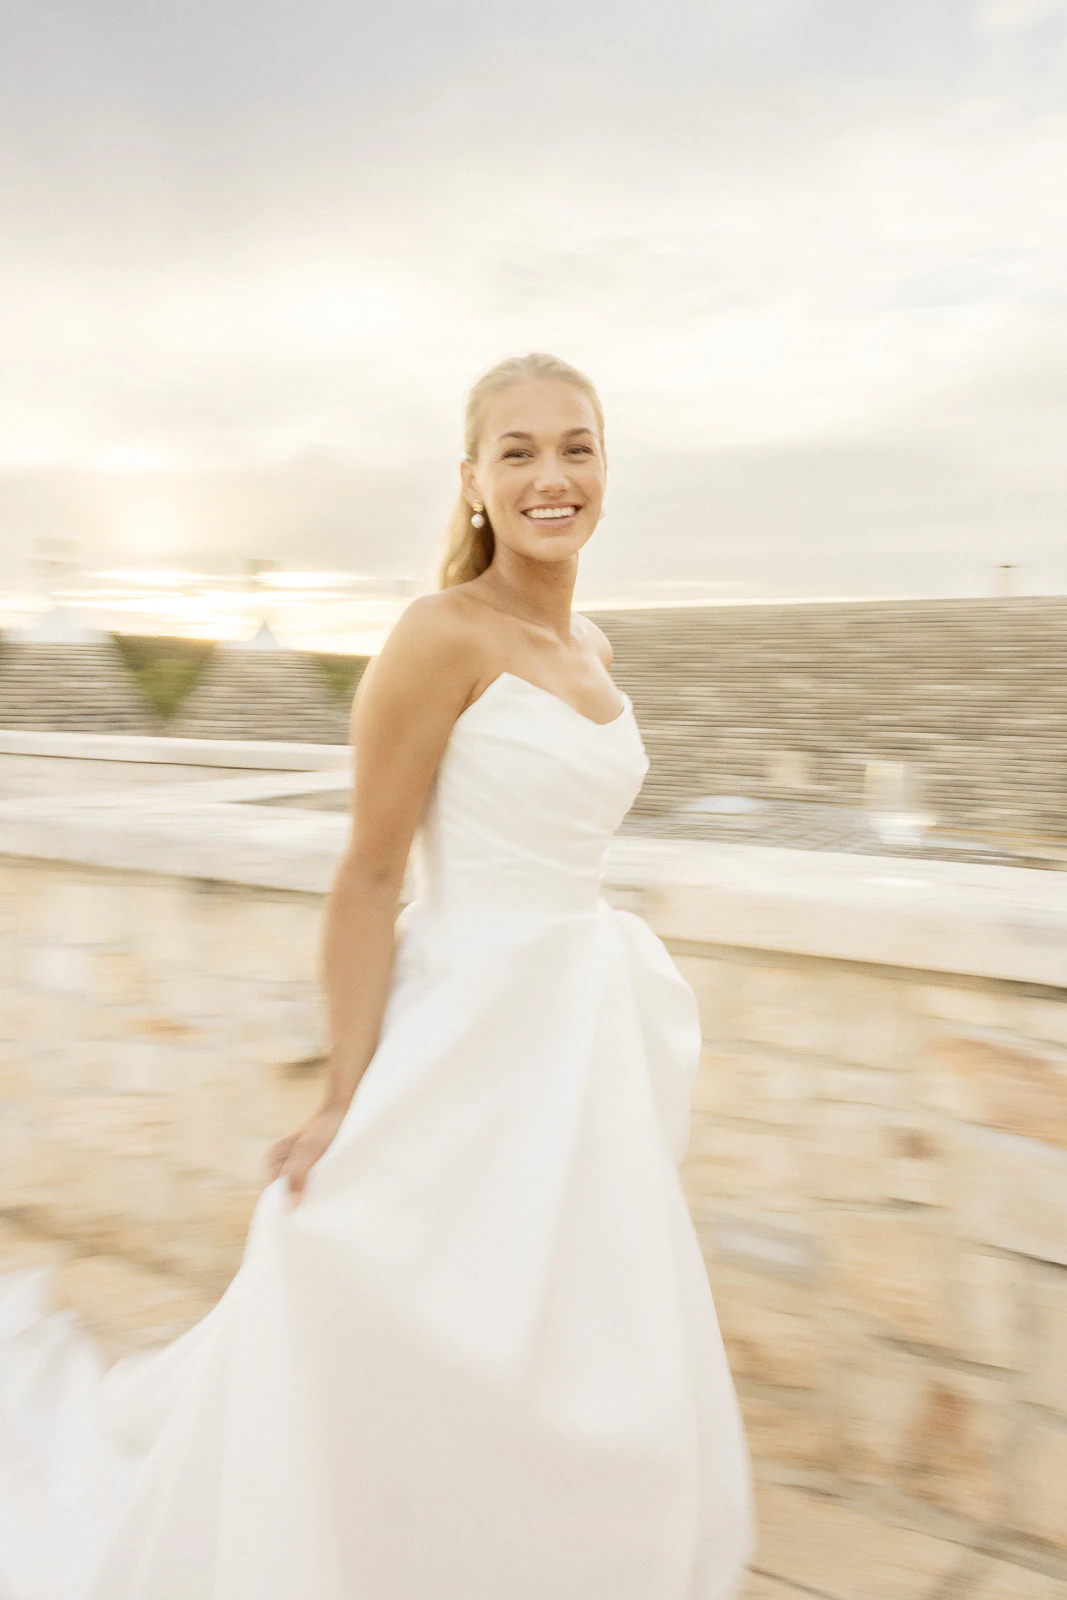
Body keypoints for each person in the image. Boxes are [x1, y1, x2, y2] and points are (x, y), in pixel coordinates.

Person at [0, 352, 754, 1599]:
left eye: (575, 446)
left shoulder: (596, 644)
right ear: (471, 482)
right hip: (466, 1029)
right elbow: (366, 875)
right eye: (516, 453)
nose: (550, 475)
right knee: (401, 1303)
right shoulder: (434, 635)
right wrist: (347, 1093)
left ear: (605, 470)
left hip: (576, 1039)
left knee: (573, 1333)